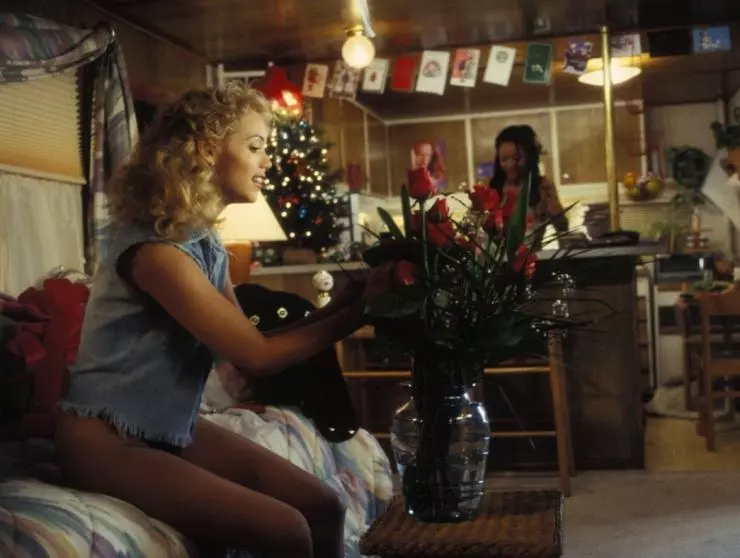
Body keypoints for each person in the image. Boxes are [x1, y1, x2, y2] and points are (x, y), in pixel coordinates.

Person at [55, 83, 393, 558]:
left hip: (166, 427)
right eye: (254, 147)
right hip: (107, 442)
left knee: (326, 507)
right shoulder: (156, 254)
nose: (267, 161)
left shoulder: (203, 242)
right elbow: (256, 357)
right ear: (208, 149)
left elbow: (248, 338)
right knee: (286, 531)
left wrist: (342, 304)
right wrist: (358, 314)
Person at [490, 125, 569, 233]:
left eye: (516, 158)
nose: (510, 164)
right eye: (504, 159)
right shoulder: (493, 189)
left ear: (529, 157)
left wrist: (552, 204)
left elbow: (563, 228)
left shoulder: (541, 187)